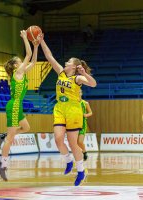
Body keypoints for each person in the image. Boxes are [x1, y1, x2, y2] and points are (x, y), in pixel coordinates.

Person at [40, 35, 97, 186]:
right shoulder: (61, 72)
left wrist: (84, 74)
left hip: (73, 111)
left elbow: (93, 84)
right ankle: (68, 160)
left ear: (74, 66)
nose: (65, 63)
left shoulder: (77, 79)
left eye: (68, 62)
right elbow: (49, 56)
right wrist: (41, 41)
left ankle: (81, 171)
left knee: (73, 144)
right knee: (58, 139)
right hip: (59, 108)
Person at [0, 30, 40, 181]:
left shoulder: (22, 72)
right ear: (15, 65)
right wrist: (25, 38)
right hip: (14, 105)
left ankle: (3, 136)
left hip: (17, 106)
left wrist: (36, 46)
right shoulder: (17, 73)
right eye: (19, 61)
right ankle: (2, 165)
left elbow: (33, 61)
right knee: (11, 138)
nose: (22, 62)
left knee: (26, 128)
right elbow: (28, 56)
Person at [77, 90, 93, 161]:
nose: (78, 94)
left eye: (79, 92)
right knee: (75, 142)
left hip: (82, 124)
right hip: (73, 124)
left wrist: (85, 115)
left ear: (81, 93)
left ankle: (84, 152)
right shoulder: (72, 103)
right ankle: (79, 154)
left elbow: (90, 112)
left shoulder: (85, 103)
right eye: (76, 92)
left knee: (80, 141)